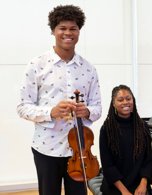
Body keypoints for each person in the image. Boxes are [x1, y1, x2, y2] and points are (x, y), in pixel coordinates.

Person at [16, 5, 102, 195]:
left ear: (79, 31)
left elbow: (97, 108)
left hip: (81, 151)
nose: (68, 33)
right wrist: (50, 112)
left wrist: (86, 111)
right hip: (47, 147)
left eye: (73, 28)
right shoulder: (36, 64)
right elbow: (22, 107)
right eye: (62, 28)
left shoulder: (89, 69)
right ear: (53, 30)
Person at [99, 84, 152, 195]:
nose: (125, 102)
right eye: (120, 100)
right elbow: (108, 166)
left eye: (128, 98)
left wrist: (143, 184)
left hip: (138, 183)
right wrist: (124, 192)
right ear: (113, 104)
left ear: (133, 101)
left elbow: (147, 160)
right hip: (116, 185)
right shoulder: (107, 129)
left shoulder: (142, 126)